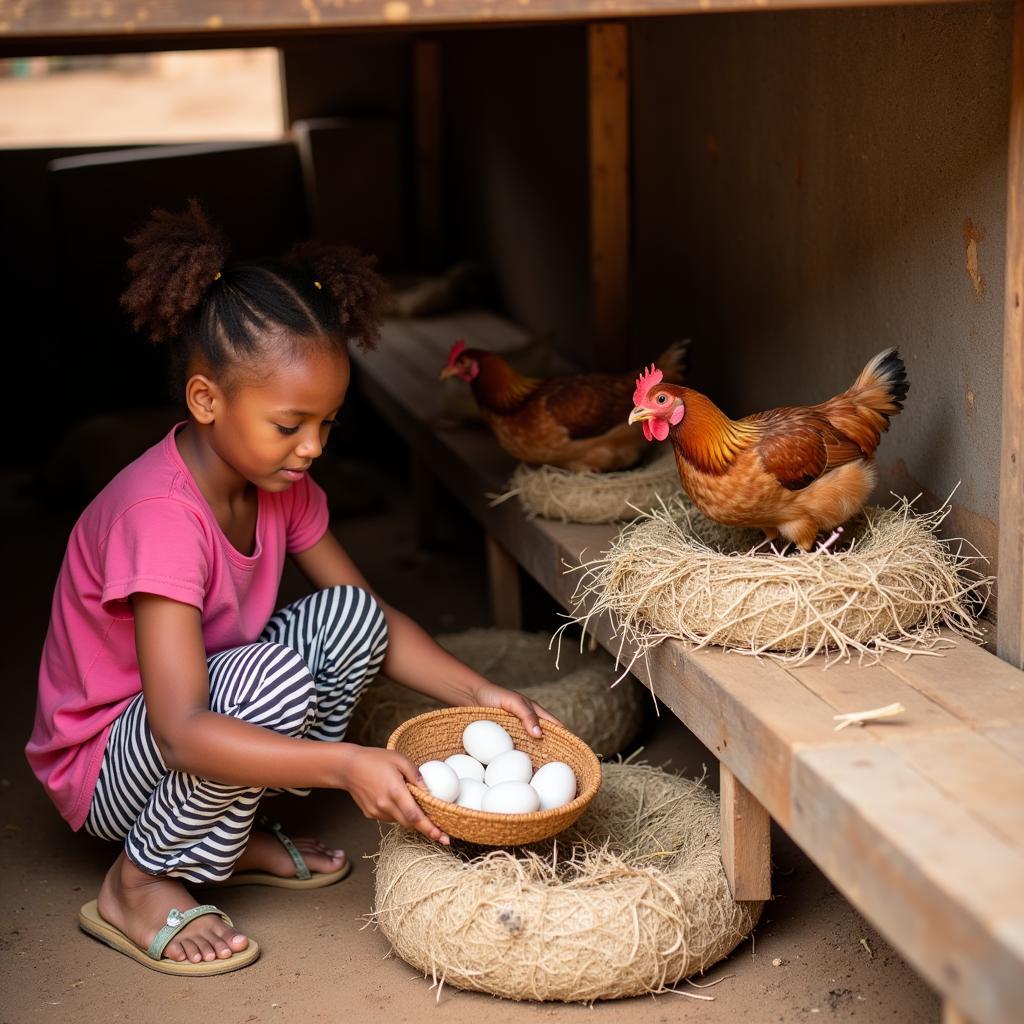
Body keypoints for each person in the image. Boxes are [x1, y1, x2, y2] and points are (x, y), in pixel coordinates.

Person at [26, 200, 558, 976]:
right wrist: (345, 764)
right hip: (108, 759)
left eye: (328, 423)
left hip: (203, 721)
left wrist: (477, 693)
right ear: (207, 400)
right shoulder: (161, 518)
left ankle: (222, 839)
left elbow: (367, 619)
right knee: (272, 678)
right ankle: (138, 879)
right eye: (289, 424)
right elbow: (178, 731)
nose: (312, 447)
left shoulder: (280, 483)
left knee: (345, 618)